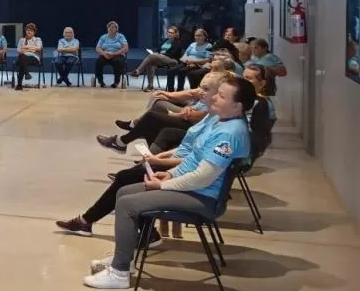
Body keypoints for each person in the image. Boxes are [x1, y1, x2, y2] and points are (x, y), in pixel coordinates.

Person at [82, 77, 263, 290]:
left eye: (221, 96)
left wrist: (163, 185)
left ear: (237, 106)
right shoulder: (219, 120)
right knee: (124, 192)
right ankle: (124, 258)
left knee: (127, 204)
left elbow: (202, 177)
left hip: (201, 196)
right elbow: (192, 158)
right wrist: (169, 174)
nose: (214, 97)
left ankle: (119, 273)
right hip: (190, 186)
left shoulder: (229, 134)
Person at [55, 70, 228, 239]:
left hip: (182, 173)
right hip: (175, 164)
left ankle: (131, 230)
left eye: (206, 89)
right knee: (154, 131)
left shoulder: (221, 126)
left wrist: (163, 166)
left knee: (125, 176)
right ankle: (93, 221)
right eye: (201, 87)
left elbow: (197, 163)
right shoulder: (212, 116)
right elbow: (190, 149)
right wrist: (160, 157)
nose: (199, 92)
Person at [95, 70, 232, 153]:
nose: (201, 91)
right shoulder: (209, 90)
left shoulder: (217, 103)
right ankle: (144, 158)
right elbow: (192, 99)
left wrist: (175, 113)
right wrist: (175, 100)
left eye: (205, 89)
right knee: (151, 120)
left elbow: (196, 116)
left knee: (152, 117)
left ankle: (125, 138)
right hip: (189, 117)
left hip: (192, 125)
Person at [130, 25, 183, 91]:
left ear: (175, 34)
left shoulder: (178, 42)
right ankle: (150, 86)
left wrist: (160, 54)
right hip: (161, 59)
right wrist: (157, 53)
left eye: (171, 33)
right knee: (150, 63)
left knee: (153, 56)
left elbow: (173, 54)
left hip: (172, 60)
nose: (169, 34)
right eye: (168, 32)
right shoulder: (165, 41)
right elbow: (158, 50)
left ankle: (138, 71)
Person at [94, 21, 128, 87]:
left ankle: (116, 82)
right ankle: (101, 82)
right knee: (98, 62)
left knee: (117, 62)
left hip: (118, 55)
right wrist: (104, 54)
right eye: (109, 27)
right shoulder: (103, 37)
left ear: (116, 29)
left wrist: (114, 54)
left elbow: (126, 48)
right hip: (106, 55)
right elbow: (97, 48)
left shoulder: (120, 36)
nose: (111, 28)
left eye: (113, 27)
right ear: (107, 28)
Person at [14, 23, 43, 91]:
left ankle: (19, 85)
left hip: (33, 58)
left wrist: (26, 48)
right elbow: (19, 50)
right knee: (22, 58)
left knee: (22, 60)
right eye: (28, 30)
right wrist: (32, 49)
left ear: (34, 32)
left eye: (31, 31)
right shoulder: (21, 40)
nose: (29, 32)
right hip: (23, 57)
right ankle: (27, 74)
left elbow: (38, 48)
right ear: (25, 31)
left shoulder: (37, 39)